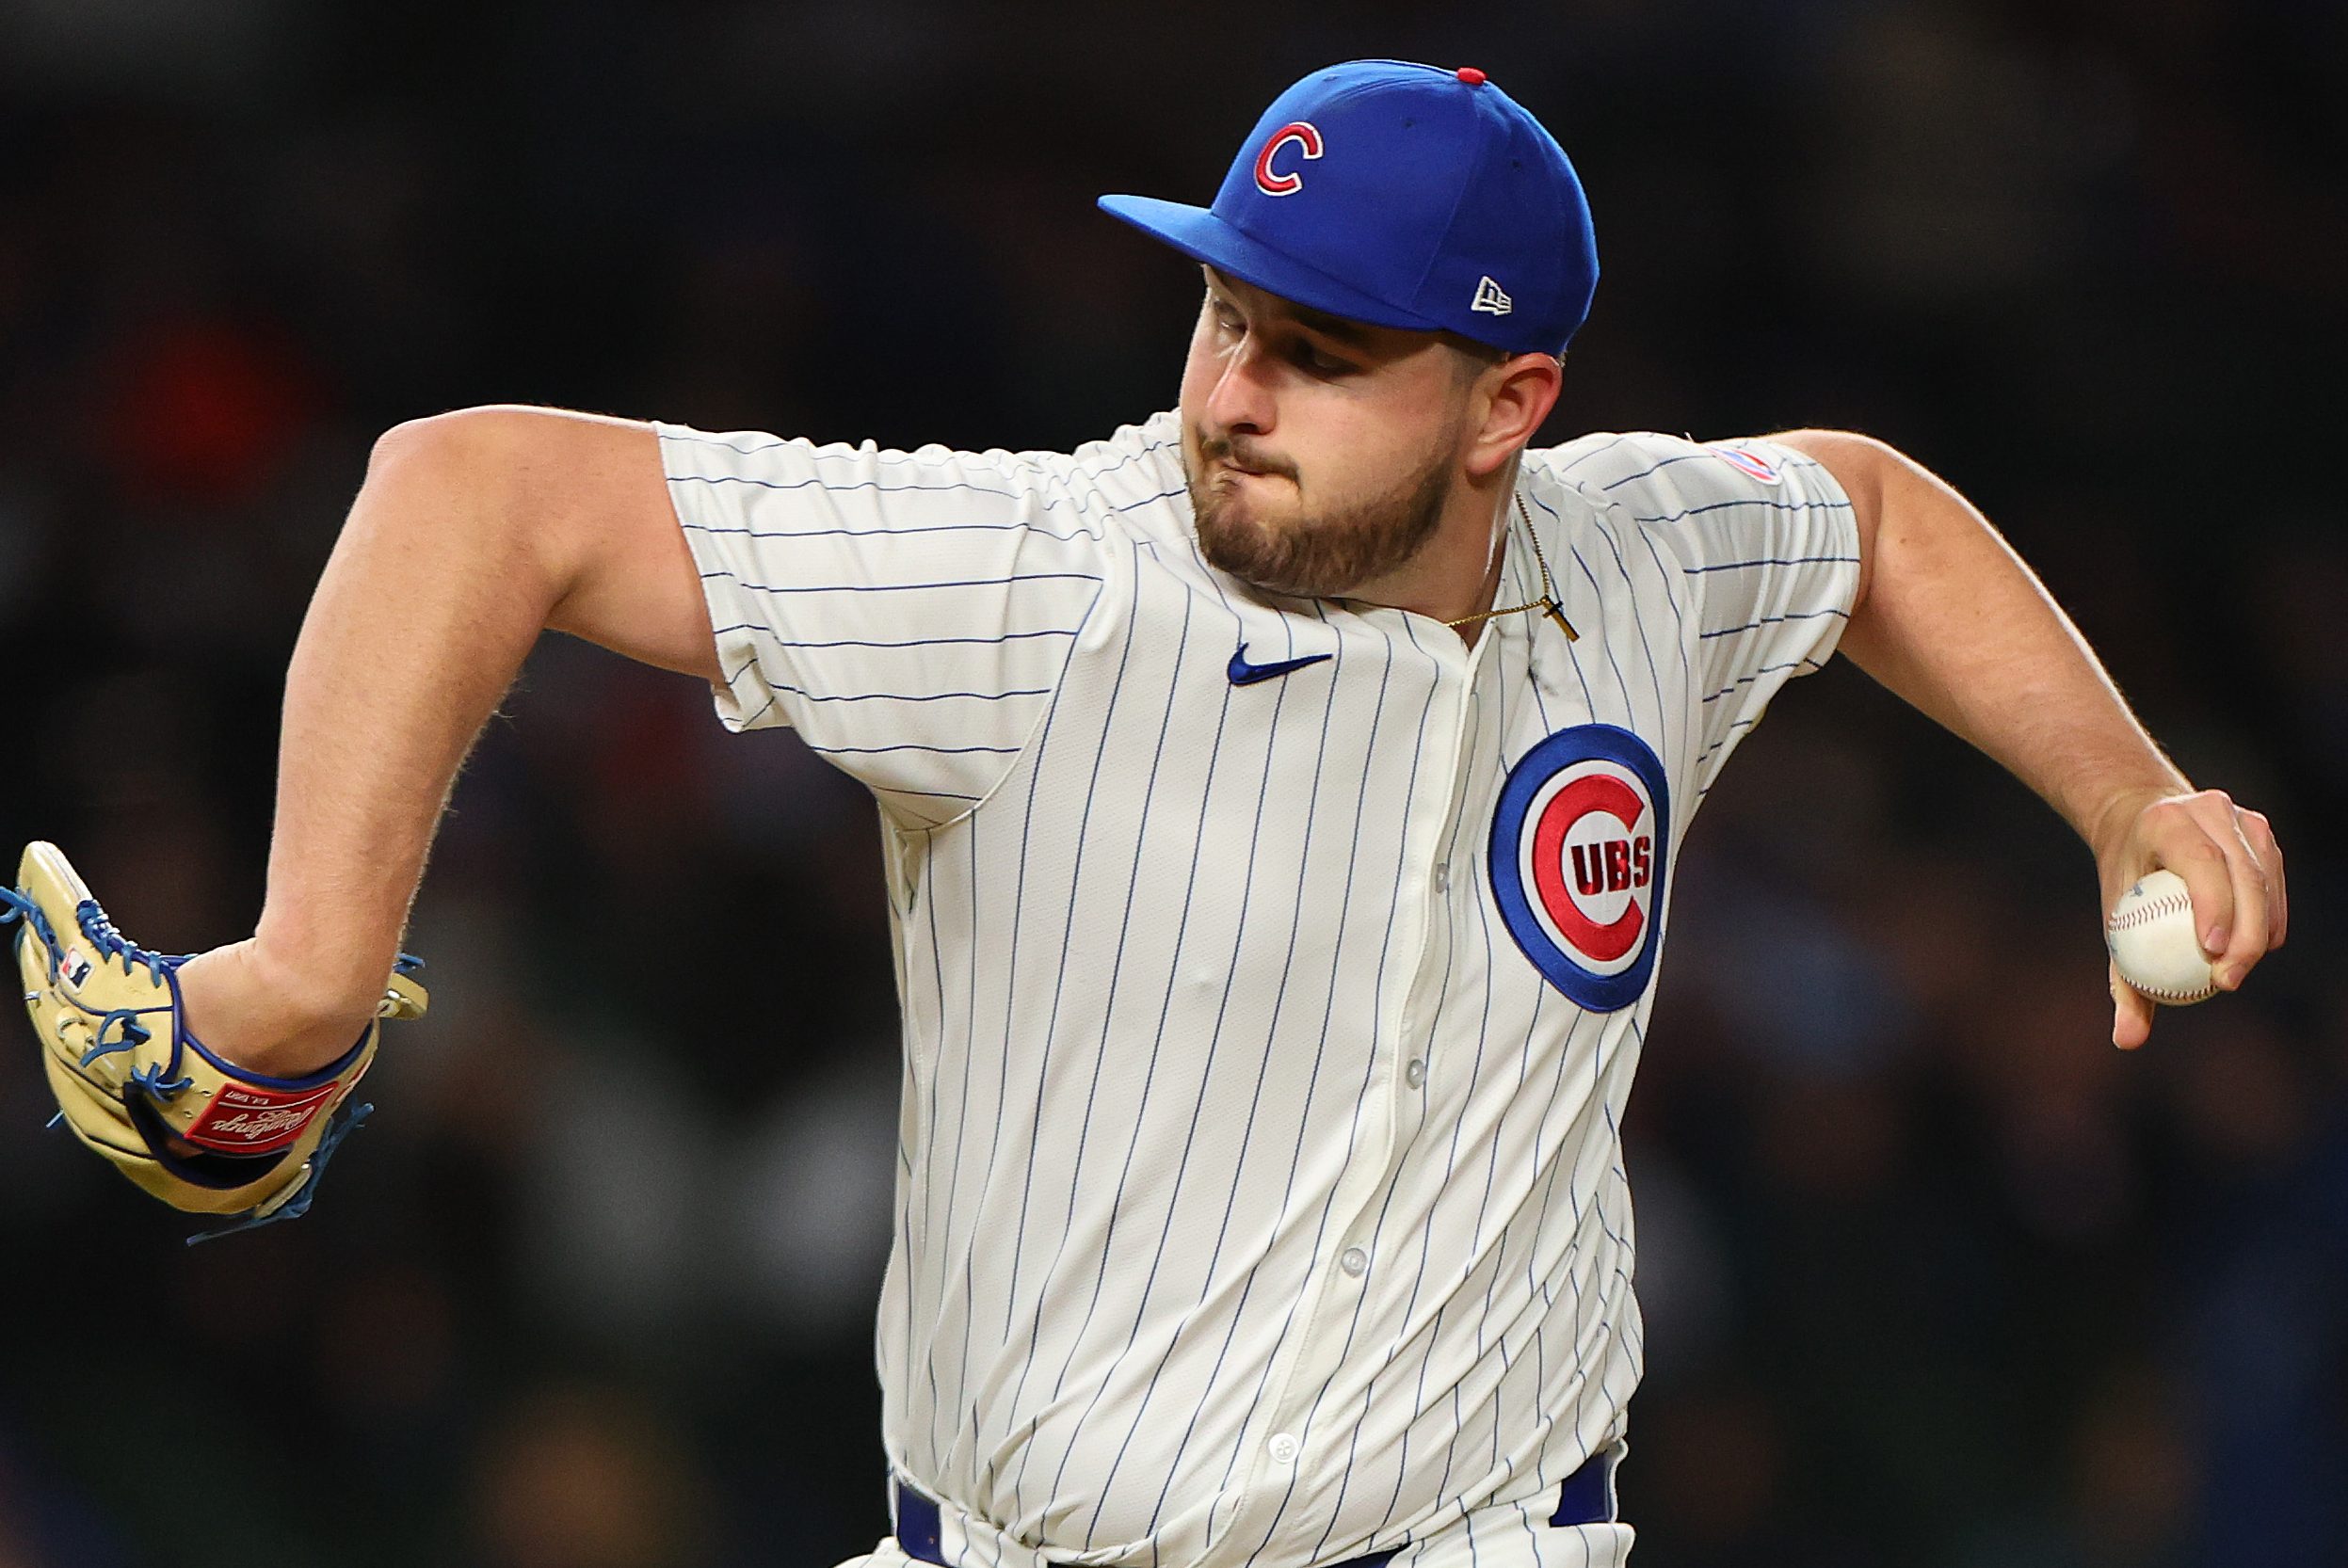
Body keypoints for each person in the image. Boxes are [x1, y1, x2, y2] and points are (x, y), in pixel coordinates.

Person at [167, 59, 2282, 1568]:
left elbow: (1873, 513)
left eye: (1316, 349)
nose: (1227, 390)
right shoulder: (1050, 577)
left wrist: (2125, 796)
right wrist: (310, 959)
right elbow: (468, 489)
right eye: (1219, 308)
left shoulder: (1634, 555)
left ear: (1506, 405)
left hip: (1481, 1526)